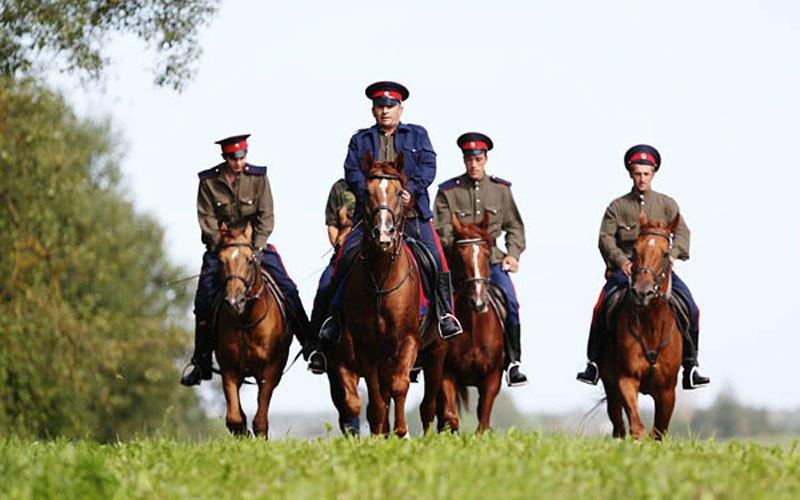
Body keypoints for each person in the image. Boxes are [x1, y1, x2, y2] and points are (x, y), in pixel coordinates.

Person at [312, 81, 463, 344]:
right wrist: (370, 194)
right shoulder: (360, 140)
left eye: (390, 106)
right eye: (380, 106)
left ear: (400, 109)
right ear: (373, 111)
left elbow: (428, 166)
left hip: (413, 215)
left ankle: (445, 317)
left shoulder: (418, 135)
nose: (385, 111)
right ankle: (334, 319)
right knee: (343, 260)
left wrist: (411, 190)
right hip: (369, 217)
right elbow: (352, 172)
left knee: (438, 262)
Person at [180, 134, 325, 386]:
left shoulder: (258, 178)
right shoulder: (208, 182)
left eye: (242, 156)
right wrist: (223, 243)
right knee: (203, 298)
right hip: (222, 249)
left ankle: (310, 345)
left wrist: (255, 246)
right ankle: (201, 359)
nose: (238, 162)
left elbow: (265, 216)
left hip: (255, 246)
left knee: (288, 289)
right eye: (233, 158)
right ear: (224, 157)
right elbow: (206, 219)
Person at [575, 144, 711, 390]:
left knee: (691, 306)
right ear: (630, 174)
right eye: (637, 173)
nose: (642, 178)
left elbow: (682, 233)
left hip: (659, 272)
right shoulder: (617, 207)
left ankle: (691, 365)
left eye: (646, 173)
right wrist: (621, 261)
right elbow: (605, 238)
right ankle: (593, 362)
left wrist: (672, 256)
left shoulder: (667, 204)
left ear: (654, 173)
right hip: (626, 271)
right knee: (601, 307)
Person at [434, 132, 528, 387]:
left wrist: (512, 254)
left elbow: (515, 227)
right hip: (458, 264)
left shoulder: (501, 191)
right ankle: (424, 357)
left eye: (477, 158)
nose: (473, 164)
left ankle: (514, 362)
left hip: (492, 262)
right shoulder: (448, 192)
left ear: (485, 159)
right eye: (468, 159)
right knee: (434, 303)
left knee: (511, 302)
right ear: (464, 161)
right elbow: (441, 230)